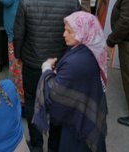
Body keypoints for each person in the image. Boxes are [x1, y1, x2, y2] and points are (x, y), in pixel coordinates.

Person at [13, 0, 81, 151]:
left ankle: (36, 145)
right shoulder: (72, 2)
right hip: (61, 65)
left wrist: (18, 56)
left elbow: (19, 33)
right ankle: (54, 146)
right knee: (59, 104)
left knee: (33, 101)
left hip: (33, 63)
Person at [33, 12, 108, 152]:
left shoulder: (76, 62)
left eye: (69, 31)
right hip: (85, 117)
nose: (64, 34)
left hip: (77, 127)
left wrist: (47, 70)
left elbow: (55, 95)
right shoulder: (87, 50)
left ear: (83, 32)